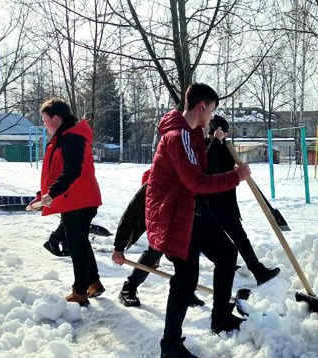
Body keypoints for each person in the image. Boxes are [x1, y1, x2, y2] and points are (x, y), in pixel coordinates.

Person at [114, 83, 250, 358]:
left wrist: (214, 144)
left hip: (195, 211)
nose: (212, 115)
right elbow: (196, 181)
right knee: (186, 278)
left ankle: (220, 317)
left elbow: (197, 170)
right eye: (211, 109)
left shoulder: (192, 135)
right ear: (202, 106)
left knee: (226, 253)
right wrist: (235, 177)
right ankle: (171, 346)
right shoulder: (178, 136)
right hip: (178, 215)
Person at [28, 97, 104, 307]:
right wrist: (41, 196)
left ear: (56, 118)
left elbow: (72, 171)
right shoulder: (65, 137)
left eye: (45, 120)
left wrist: (51, 194)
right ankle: (93, 282)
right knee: (80, 243)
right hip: (76, 200)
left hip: (80, 201)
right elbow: (55, 173)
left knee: (76, 246)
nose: (44, 124)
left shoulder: (72, 138)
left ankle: (80, 292)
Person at [206, 115, 280, 286]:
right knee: (228, 240)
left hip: (226, 202)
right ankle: (253, 270)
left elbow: (226, 168)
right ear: (217, 132)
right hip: (214, 204)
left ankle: (253, 270)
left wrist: (238, 170)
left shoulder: (224, 147)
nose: (226, 135)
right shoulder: (208, 147)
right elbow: (208, 168)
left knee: (237, 239)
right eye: (224, 132)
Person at [111, 177, 206, 308]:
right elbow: (130, 215)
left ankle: (185, 290)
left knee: (189, 251)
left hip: (184, 224)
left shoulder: (193, 181)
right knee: (156, 251)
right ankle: (129, 287)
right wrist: (118, 248)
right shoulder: (155, 182)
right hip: (160, 223)